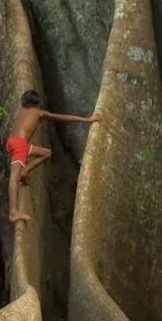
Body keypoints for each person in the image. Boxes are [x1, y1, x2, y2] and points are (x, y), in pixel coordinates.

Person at [6, 89, 101, 223]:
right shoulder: (39, 112)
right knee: (14, 179)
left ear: (23, 102)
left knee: (46, 153)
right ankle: (13, 212)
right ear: (37, 104)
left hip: (12, 142)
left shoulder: (20, 109)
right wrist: (87, 120)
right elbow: (63, 117)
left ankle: (25, 171)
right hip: (20, 145)